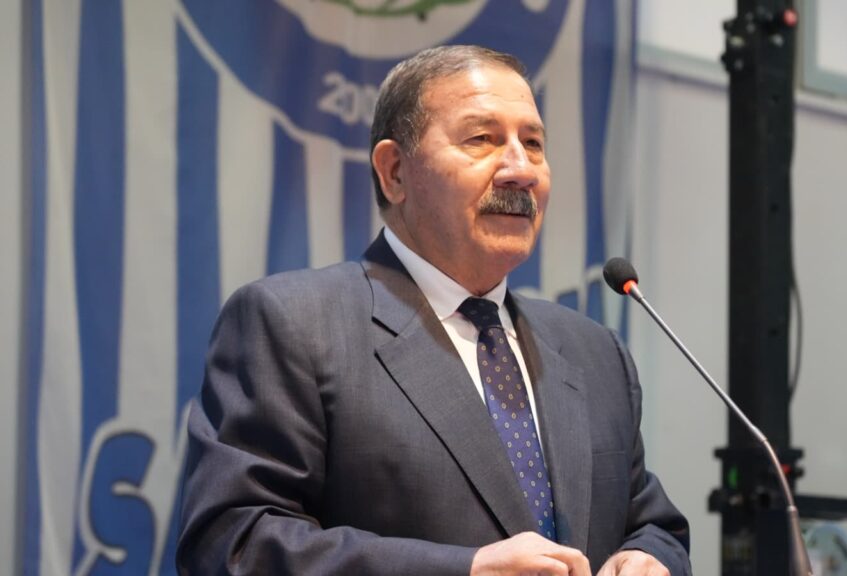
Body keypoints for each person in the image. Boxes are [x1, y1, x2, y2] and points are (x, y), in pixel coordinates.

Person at [177, 45, 691, 575]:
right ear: (395, 172)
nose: (521, 169)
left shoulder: (594, 352)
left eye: (534, 144)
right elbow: (233, 544)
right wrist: (462, 571)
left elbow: (652, 523)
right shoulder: (294, 326)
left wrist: (649, 557)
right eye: (482, 139)